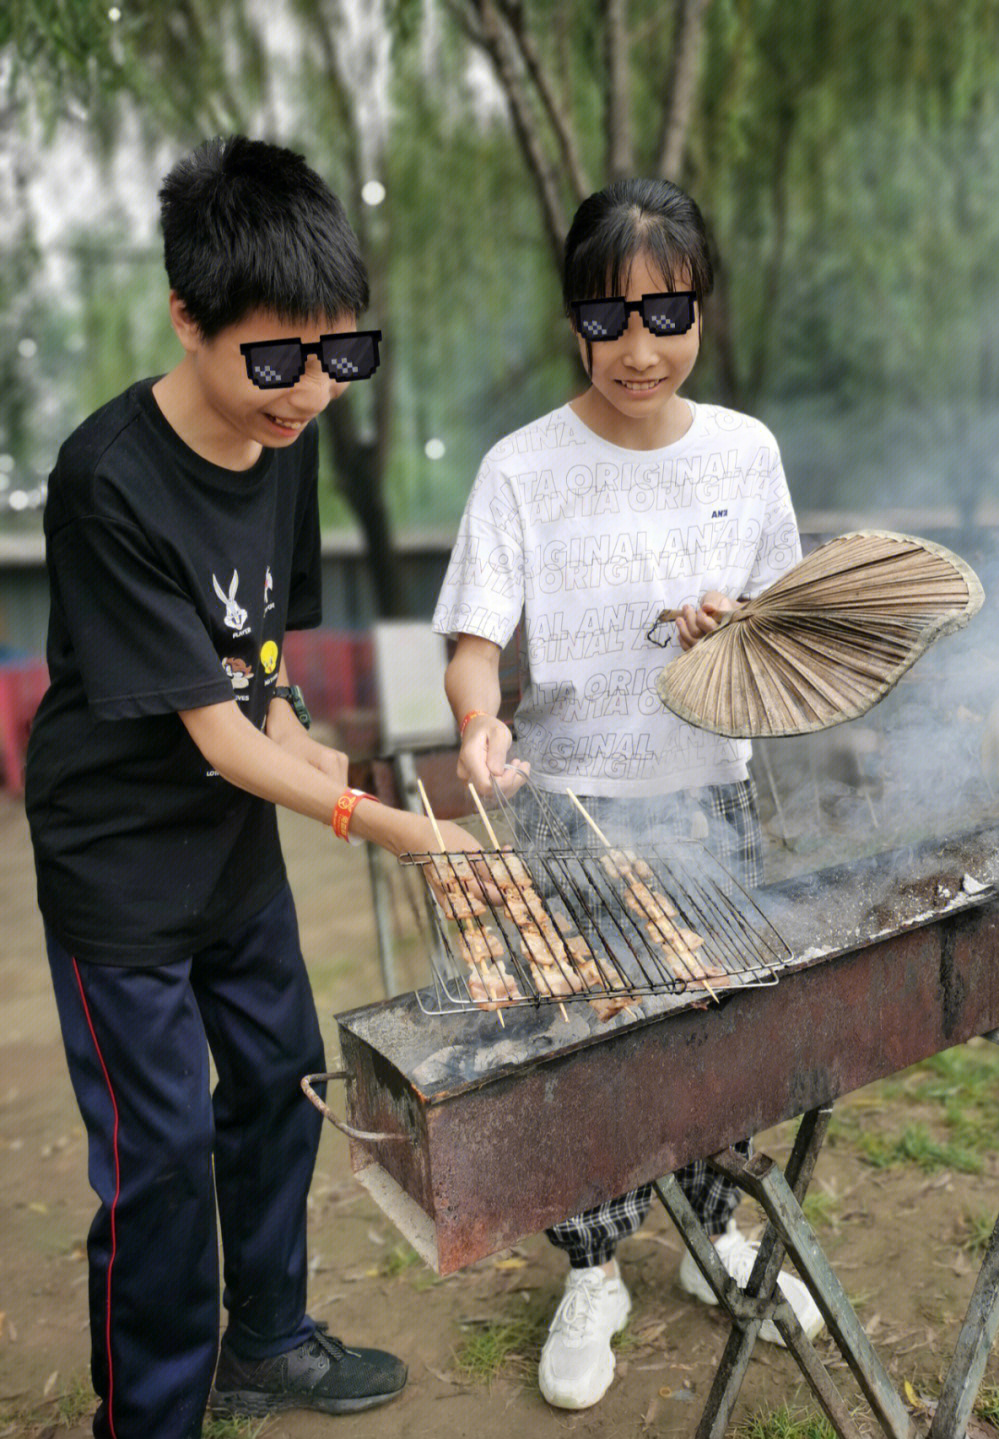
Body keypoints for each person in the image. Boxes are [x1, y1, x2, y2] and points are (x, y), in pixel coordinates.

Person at [24, 135, 483, 1438]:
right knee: (160, 1156)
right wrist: (384, 819)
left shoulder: (288, 438)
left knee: (280, 1075)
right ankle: (152, 1414)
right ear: (188, 316)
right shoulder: (106, 478)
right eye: (273, 360)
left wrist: (309, 732)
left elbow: (258, 670)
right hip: (119, 866)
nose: (307, 393)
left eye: (339, 355)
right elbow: (217, 736)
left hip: (229, 850)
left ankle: (267, 1339)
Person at [434, 177, 824, 1411]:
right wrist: (478, 721)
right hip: (571, 806)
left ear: (702, 308)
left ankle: (717, 1235)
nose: (640, 349)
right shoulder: (520, 468)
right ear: (573, 320)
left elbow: (792, 631)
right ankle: (594, 1267)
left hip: (710, 796)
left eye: (668, 314)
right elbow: (475, 642)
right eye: (609, 320)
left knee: (713, 1042)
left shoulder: (747, 452)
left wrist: (739, 626)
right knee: (587, 1052)